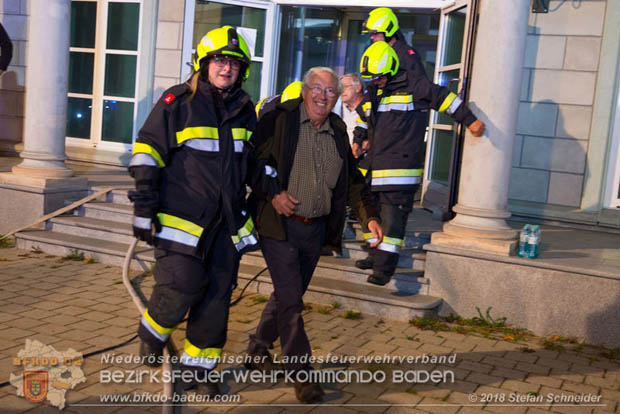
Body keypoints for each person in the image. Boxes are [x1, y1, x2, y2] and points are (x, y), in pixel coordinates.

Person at [128, 26, 277, 396]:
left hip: (226, 225)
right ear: (204, 63)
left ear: (242, 71)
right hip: (183, 220)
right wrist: (144, 205)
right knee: (181, 289)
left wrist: (271, 182)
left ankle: (199, 370)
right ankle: (152, 330)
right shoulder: (178, 102)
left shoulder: (245, 110)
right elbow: (148, 151)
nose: (226, 68)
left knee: (216, 301)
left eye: (234, 63)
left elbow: (251, 163)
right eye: (219, 60)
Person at [245, 67, 382, 403]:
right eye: (316, 89)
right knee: (292, 301)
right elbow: (250, 163)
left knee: (285, 295)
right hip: (278, 227)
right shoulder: (280, 120)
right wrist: (274, 193)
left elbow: (352, 182)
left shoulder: (337, 130)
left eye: (330, 91)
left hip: (315, 230)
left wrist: (370, 219)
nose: (322, 96)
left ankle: (257, 350)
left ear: (339, 97)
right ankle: (303, 375)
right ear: (305, 91)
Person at [352, 42, 485, 286]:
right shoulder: (374, 91)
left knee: (392, 224)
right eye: (372, 78)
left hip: (400, 171)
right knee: (372, 218)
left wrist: (471, 121)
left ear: (391, 69)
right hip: (375, 169)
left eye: (379, 77)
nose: (376, 81)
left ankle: (383, 271)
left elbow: (447, 99)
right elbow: (364, 117)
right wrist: (359, 140)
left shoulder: (415, 86)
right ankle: (374, 255)